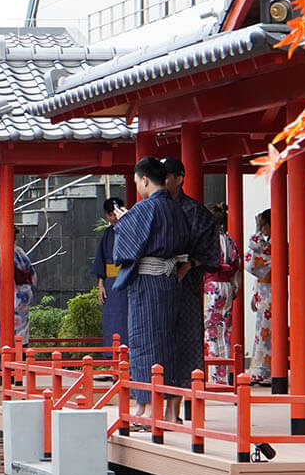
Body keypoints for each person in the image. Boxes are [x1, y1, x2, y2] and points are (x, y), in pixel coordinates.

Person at [113, 157, 190, 422]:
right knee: (168, 342)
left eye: (137, 182)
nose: (138, 187)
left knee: (144, 341)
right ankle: (168, 410)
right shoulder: (176, 208)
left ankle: (146, 408)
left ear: (145, 180)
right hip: (170, 281)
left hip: (147, 283)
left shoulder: (147, 208)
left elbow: (125, 243)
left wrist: (123, 221)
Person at [162, 157, 220, 393]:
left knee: (188, 336)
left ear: (179, 178)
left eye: (166, 177)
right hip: (158, 282)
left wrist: (190, 264)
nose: (162, 182)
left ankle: (189, 393)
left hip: (186, 283)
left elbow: (210, 251)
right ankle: (159, 390)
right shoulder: (155, 207)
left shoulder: (196, 211)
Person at [202, 203, 242, 383]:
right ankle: (224, 377)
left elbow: (202, 265)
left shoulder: (208, 241)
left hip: (212, 288)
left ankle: (214, 377)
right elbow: (236, 267)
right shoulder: (230, 241)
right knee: (225, 332)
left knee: (211, 331)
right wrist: (235, 289)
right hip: (227, 286)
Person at [92, 197, 129, 346]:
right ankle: (110, 352)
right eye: (109, 215)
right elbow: (101, 259)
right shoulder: (108, 233)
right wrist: (100, 284)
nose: (112, 218)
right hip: (111, 282)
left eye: (114, 214)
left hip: (127, 280)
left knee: (126, 318)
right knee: (111, 319)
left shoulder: (130, 230)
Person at [245, 209, 272, 382]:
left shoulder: (271, 244)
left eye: (264, 225)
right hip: (264, 289)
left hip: (271, 289)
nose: (262, 229)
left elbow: (252, 259)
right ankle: (261, 370)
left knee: (266, 331)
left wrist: (256, 230)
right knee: (262, 330)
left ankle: (264, 371)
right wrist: (255, 294)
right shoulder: (267, 244)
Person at [14, 230, 36, 346]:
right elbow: (33, 276)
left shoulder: (7, 253)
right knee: (22, 331)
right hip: (24, 293)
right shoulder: (20, 252)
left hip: (13, 293)